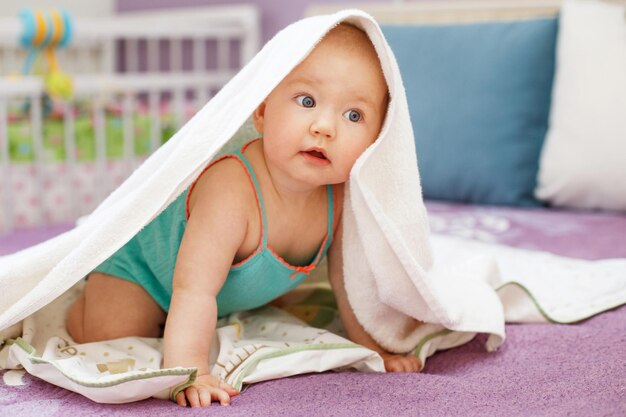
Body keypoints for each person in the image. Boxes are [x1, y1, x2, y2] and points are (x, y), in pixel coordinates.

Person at [65, 23, 422, 408]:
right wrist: (191, 371)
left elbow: (349, 284)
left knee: (198, 316)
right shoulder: (232, 189)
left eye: (354, 115)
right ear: (263, 112)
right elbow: (193, 289)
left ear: (377, 140)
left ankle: (190, 324)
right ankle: (77, 301)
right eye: (306, 101)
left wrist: (371, 349)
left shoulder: (340, 197)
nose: (324, 127)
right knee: (111, 337)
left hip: (215, 297)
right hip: (144, 272)